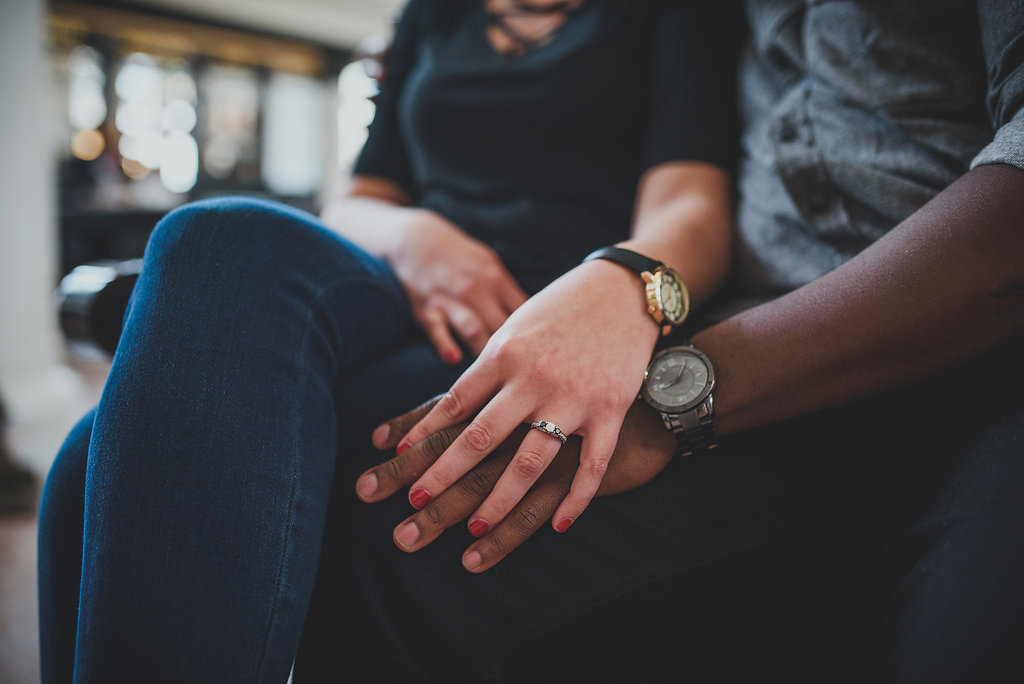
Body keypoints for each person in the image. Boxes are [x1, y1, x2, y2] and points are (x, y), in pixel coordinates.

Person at [37, 1, 740, 682]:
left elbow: (692, 206)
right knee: (213, 235)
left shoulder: (669, 11)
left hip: (552, 308)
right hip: (405, 280)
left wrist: (626, 285)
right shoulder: (437, 12)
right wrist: (415, 238)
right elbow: (358, 199)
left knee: (85, 464)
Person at [329, 0, 1024, 681]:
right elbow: (364, 190)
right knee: (405, 549)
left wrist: (662, 374)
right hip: (760, 376)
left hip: (971, 377)